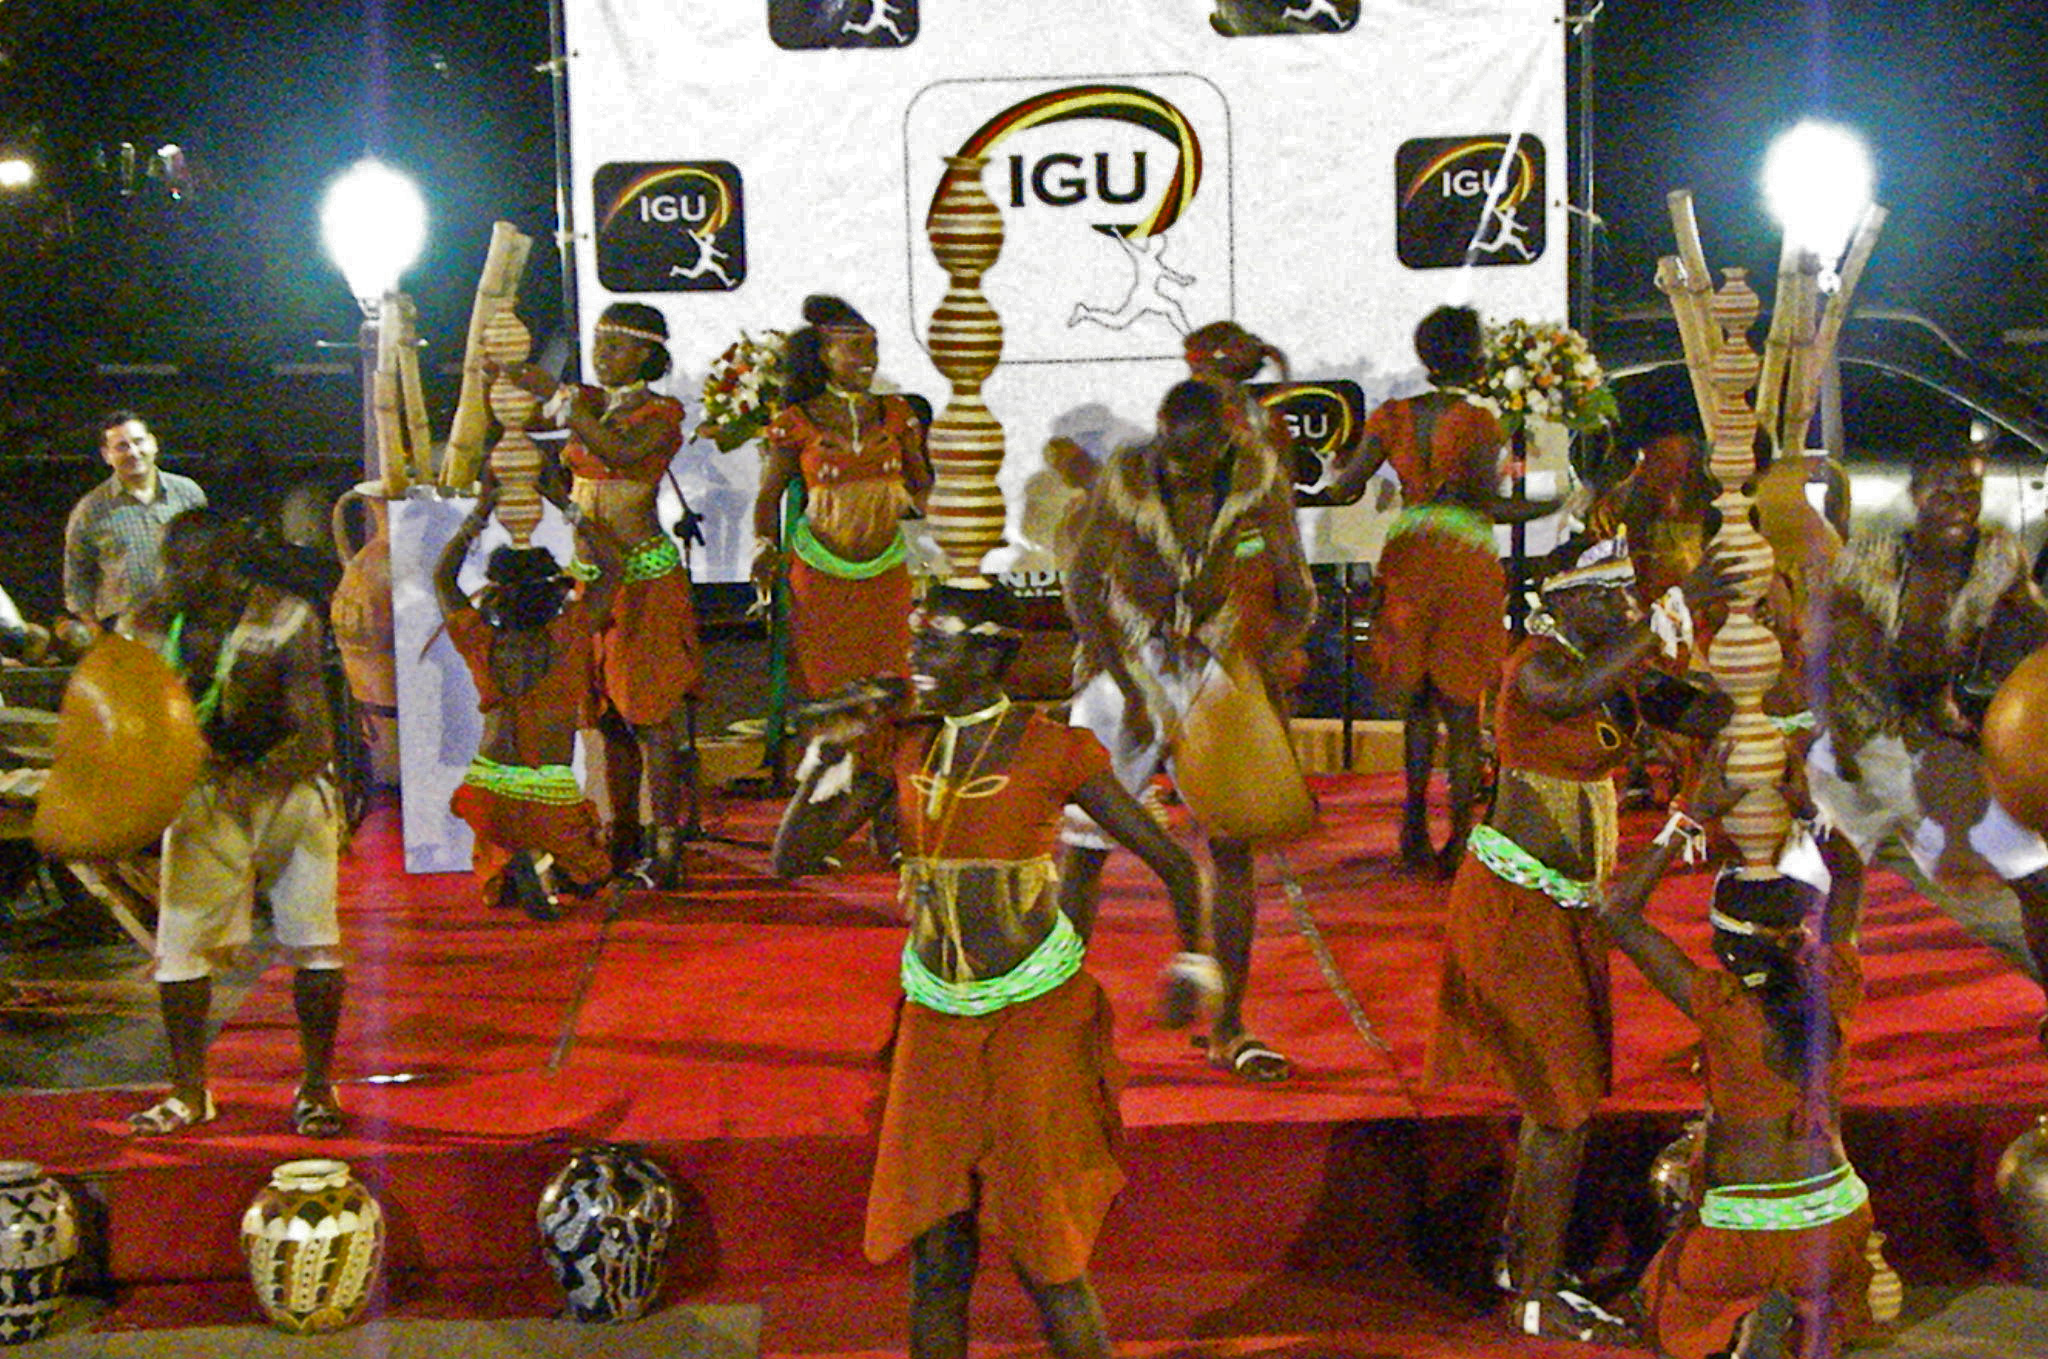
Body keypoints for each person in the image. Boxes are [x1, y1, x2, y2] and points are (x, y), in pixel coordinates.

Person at [771, 579, 1204, 1359]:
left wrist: (1194, 963)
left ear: (991, 652)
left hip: (1035, 1020)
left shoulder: (1053, 747)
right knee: (938, 1257)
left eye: (936, 639)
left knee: (1049, 1260)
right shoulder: (905, 746)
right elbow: (792, 857)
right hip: (935, 1019)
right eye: (916, 637)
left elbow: (1175, 863)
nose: (915, 654)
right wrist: (829, 755)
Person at [1424, 535, 1733, 1342]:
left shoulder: (1618, 675)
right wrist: (1674, 604)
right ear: (1566, 600)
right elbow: (1572, 695)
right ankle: (1534, 1294)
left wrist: (1743, 675)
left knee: (1561, 1097)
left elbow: (1706, 713)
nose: (1627, 610)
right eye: (1613, 597)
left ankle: (1521, 1260)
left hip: (1573, 911)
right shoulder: (1535, 666)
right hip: (1513, 906)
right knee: (1561, 1106)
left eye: (1633, 598)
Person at [1057, 378, 1316, 1083]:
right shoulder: (1130, 479)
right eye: (1171, 453)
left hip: (1212, 660)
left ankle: (1230, 1023)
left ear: (1225, 444)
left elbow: (1299, 594)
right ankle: (1052, 1021)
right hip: (1126, 658)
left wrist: (1257, 662)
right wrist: (1129, 686)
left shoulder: (1258, 480)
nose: (1179, 468)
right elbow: (1081, 589)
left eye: (1195, 459)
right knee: (1083, 848)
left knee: (1232, 844)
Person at [1600, 758, 1878, 1359]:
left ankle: (1750, 1308)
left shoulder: (1719, 1002)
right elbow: (1851, 877)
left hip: (1738, 1242)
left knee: (1664, 1304)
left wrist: (1691, 815)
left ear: (1724, 945)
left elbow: (1617, 912)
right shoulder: (1834, 980)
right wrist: (1809, 811)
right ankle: (1807, 1305)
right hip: (1834, 1224)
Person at [1302, 306, 1556, 874]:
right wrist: (1555, 501)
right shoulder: (1484, 420)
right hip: (1463, 560)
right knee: (1463, 715)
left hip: (1409, 554)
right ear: (1476, 355)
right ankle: (1459, 839)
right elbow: (1484, 504)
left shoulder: (1391, 416)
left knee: (1415, 708)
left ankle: (1412, 826)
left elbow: (1344, 490)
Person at [122, 508, 345, 1138]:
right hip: (206, 790)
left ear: (224, 571)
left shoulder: (284, 618)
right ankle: (190, 1093)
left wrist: (250, 783)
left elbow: (315, 738)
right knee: (180, 951)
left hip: (289, 789)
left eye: (183, 568)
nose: (168, 579)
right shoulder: (149, 622)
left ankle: (317, 1088)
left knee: (315, 943)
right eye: (166, 565)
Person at [1807, 445, 2048, 1028]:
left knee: (2036, 879)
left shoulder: (1997, 555)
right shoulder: (1867, 558)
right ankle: (1804, 1013)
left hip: (1941, 746)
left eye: (1970, 492)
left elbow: (2027, 631)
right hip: (1859, 739)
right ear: (1915, 498)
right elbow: (1828, 652)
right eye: (1944, 493)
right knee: (1828, 878)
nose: (1959, 506)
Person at [494, 302, 702, 890]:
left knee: (651, 715)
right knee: (606, 717)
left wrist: (563, 401)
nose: (601, 354)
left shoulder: (662, 412)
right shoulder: (586, 401)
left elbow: (621, 455)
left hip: (645, 581)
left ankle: (666, 849)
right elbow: (541, 429)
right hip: (590, 576)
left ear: (646, 353)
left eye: (615, 345)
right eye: (599, 343)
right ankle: (621, 836)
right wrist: (506, 370)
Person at [435, 476, 622, 919]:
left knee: (500, 870)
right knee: (593, 878)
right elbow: (612, 567)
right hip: (548, 796)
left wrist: (481, 511)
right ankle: (541, 856)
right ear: (553, 593)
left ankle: (519, 855)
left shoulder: (480, 639)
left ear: (497, 595)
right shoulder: (572, 633)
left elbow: (442, 576)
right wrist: (564, 503)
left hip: (487, 792)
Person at [752, 294, 934, 700]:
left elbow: (922, 486)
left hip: (886, 574)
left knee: (889, 689)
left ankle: (887, 766)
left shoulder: (899, 413)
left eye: (873, 347)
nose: (869, 358)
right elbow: (769, 498)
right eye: (856, 347)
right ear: (823, 354)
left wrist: (962, 520)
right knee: (830, 692)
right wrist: (763, 548)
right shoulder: (794, 421)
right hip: (818, 576)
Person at [64, 411, 208, 629]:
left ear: (153, 443)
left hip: (186, 625)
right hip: (123, 630)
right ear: (106, 455)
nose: (133, 452)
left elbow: (211, 558)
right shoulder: (90, 510)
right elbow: (76, 579)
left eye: (139, 442)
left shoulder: (188, 494)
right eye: (121, 446)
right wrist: (96, 634)